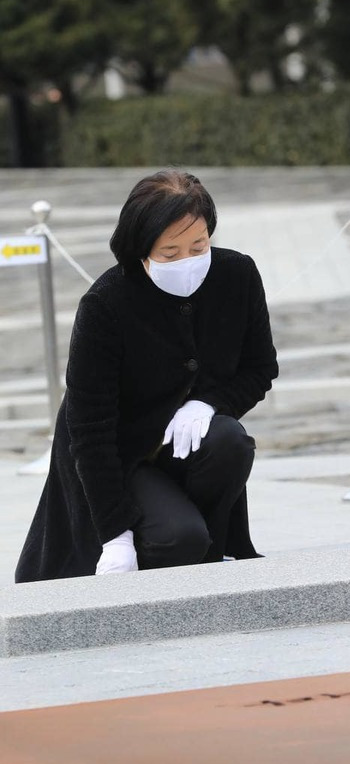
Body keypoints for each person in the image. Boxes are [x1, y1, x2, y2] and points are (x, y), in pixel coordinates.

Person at [15, 169, 278, 583]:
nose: (188, 262)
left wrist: (207, 403)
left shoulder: (237, 275)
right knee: (179, 539)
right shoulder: (106, 303)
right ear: (141, 250)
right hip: (119, 456)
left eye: (199, 246)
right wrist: (115, 537)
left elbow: (260, 367)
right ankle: (171, 543)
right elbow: (89, 431)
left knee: (229, 440)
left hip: (180, 443)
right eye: (170, 254)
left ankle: (209, 548)